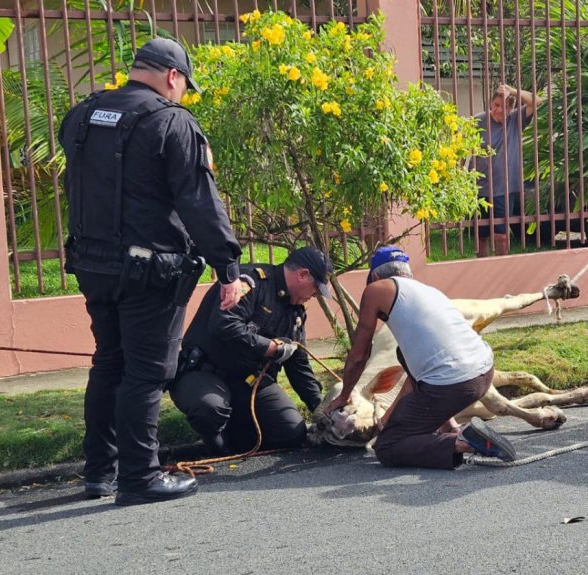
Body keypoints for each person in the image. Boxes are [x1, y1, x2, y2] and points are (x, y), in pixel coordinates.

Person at [59, 38, 243, 505]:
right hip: (148, 272)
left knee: (108, 363)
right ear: (172, 76)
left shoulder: (84, 114)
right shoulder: (170, 121)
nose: (180, 94)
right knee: (145, 373)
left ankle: (99, 473)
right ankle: (140, 477)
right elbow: (198, 201)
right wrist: (228, 268)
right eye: (183, 85)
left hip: (91, 264)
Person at [322, 246, 517, 468]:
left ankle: (464, 441)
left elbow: (359, 355)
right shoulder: (429, 291)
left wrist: (344, 395)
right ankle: (451, 428)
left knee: (387, 447)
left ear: (375, 276)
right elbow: (414, 379)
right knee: (401, 353)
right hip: (483, 373)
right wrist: (387, 419)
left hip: (453, 385)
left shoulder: (376, 289)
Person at [169, 247, 332, 454]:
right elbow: (224, 325)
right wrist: (269, 348)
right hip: (205, 371)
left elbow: (298, 362)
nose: (315, 295)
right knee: (211, 410)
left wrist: (319, 407)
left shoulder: (295, 310)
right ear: (302, 275)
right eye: (316, 288)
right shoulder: (249, 283)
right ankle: (217, 446)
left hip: (248, 380)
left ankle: (240, 436)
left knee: (292, 433)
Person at [473, 84, 540, 258]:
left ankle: (501, 265)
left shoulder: (515, 120)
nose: (499, 111)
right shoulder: (477, 121)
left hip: (504, 188)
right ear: (490, 104)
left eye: (505, 107)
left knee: (501, 236)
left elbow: (537, 101)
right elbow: (460, 147)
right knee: (481, 236)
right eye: (496, 105)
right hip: (479, 188)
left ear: (511, 108)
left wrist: (513, 91)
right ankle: (482, 268)